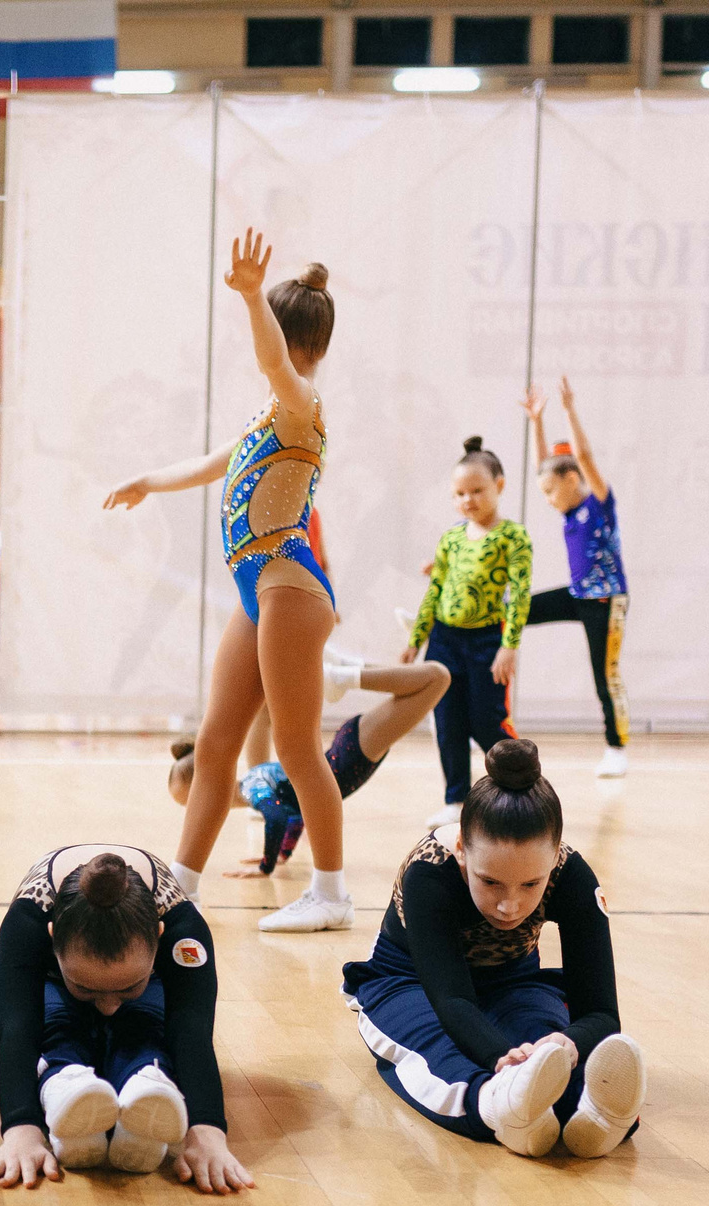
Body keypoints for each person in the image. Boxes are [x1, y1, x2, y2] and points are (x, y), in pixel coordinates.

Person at [105, 233, 351, 933]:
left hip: (291, 590)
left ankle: (331, 891)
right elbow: (214, 464)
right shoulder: (269, 416)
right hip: (260, 591)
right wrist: (149, 480)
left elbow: (273, 357)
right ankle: (181, 886)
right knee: (215, 742)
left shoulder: (302, 400)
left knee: (299, 747)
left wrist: (248, 295)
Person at [341, 738, 643, 1159]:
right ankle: (494, 1106)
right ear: (463, 850)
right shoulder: (430, 871)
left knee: (545, 1047)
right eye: (490, 882)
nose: (509, 905)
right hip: (410, 983)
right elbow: (451, 999)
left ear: (555, 855)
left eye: (531, 885)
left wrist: (568, 1041)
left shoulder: (572, 876)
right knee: (441, 1051)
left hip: (514, 979)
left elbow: (601, 1012)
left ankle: (594, 1114)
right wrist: (502, 1058)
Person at [0, 845, 249, 1193]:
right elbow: (17, 1030)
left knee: (146, 1019)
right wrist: (21, 1130)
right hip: (52, 981)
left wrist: (207, 1132)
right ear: (53, 936)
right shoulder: (26, 923)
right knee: (57, 1018)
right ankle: (64, 1084)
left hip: (132, 978)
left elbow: (190, 1031)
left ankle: (149, 1083)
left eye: (127, 987)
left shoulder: (183, 928)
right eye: (87, 988)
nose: (107, 1008)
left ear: (160, 937)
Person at [174, 657, 452, 878]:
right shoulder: (255, 789)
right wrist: (282, 855)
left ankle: (339, 676)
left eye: (192, 802)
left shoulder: (252, 787)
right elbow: (296, 815)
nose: (199, 811)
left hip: (350, 757)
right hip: (349, 755)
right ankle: (341, 675)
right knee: (428, 684)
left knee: (437, 678)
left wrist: (265, 867)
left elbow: (277, 819)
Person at [407, 437, 531, 817]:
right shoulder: (451, 538)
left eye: (477, 491)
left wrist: (508, 646)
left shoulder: (513, 537)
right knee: (449, 723)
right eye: (459, 493)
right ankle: (455, 799)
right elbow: (436, 589)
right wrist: (417, 638)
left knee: (486, 721)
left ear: (500, 485)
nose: (468, 500)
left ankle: (521, 787)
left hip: (485, 642)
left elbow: (521, 593)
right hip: (444, 641)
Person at [521, 377, 630, 778]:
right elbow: (542, 468)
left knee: (605, 674)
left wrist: (568, 411)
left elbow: (583, 456)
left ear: (572, 480)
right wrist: (537, 423)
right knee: (515, 610)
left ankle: (616, 747)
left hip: (606, 599)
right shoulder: (568, 511)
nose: (548, 500)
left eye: (551, 491)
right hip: (578, 594)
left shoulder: (599, 504)